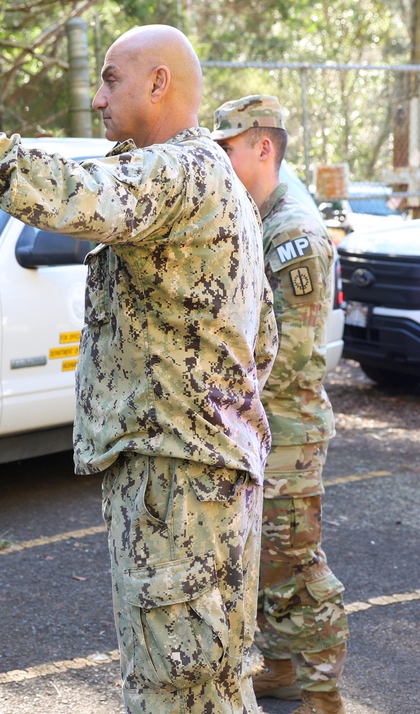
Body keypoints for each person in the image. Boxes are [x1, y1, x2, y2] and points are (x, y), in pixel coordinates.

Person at [0, 24, 278, 714]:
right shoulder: (209, 175)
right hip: (189, 472)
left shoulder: (180, 169)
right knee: (203, 685)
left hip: (178, 478)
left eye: (111, 80)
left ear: (158, 83)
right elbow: (264, 337)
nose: (99, 98)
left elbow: (68, 193)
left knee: (177, 692)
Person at [211, 95, 348, 714]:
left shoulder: (293, 233)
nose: (219, 159)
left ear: (262, 148)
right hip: (261, 424)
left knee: (296, 567)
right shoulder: (255, 216)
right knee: (263, 556)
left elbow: (290, 352)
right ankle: (286, 669)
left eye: (228, 148)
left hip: (288, 427)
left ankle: (323, 694)